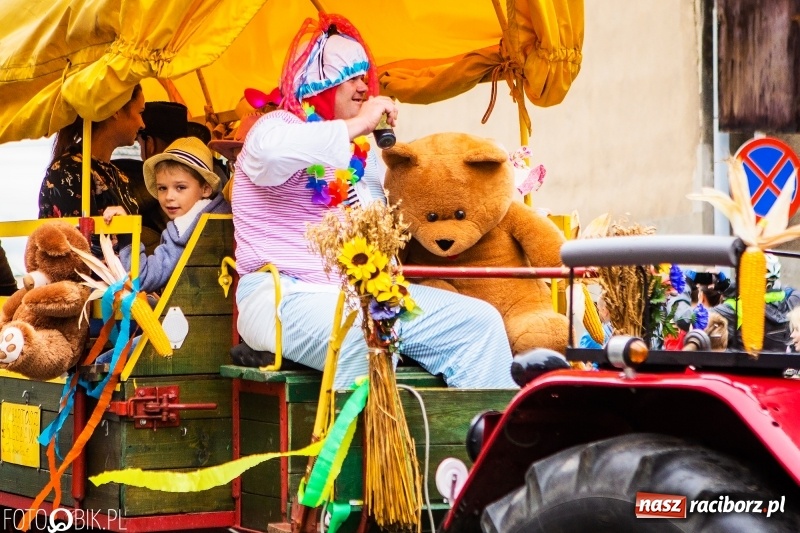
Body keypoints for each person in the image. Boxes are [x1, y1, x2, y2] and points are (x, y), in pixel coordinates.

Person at [232, 14, 517, 390]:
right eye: (352, 77)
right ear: (321, 85)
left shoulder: (358, 158)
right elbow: (270, 157)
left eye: (365, 78)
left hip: (360, 296)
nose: (365, 88)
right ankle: (361, 447)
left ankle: (478, 445)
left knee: (479, 323)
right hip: (281, 296)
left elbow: (383, 228)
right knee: (363, 333)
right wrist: (359, 124)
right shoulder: (276, 127)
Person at [110, 137, 231, 293]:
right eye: (162, 188)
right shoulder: (223, 215)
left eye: (180, 187)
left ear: (206, 189)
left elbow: (141, 279)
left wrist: (126, 233)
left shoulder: (183, 233)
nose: (169, 196)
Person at [39, 84, 144, 223]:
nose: (143, 124)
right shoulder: (69, 170)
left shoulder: (119, 175)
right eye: (140, 113)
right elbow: (79, 241)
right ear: (116, 110)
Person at [714, 254, 800, 351]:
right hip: (778, 365)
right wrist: (728, 287)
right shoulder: (790, 302)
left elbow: (699, 320)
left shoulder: (735, 309)